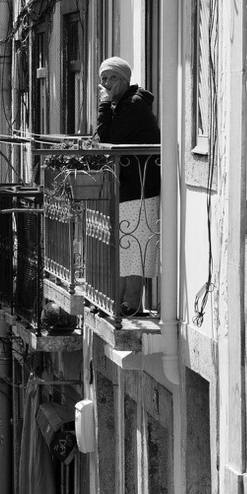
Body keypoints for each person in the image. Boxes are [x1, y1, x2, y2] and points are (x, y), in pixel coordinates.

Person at [96, 56, 160, 316]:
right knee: (127, 247)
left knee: (135, 246)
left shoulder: (132, 105)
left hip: (140, 186)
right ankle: (122, 303)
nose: (107, 83)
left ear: (124, 80)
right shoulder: (123, 104)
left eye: (113, 77)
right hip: (131, 185)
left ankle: (131, 305)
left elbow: (108, 137)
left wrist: (103, 103)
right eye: (104, 78)